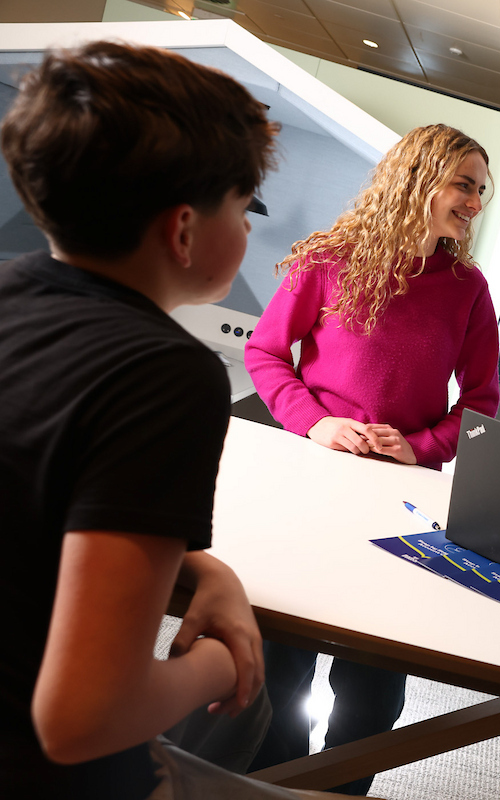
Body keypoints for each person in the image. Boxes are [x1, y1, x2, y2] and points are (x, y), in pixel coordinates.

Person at [0, 40, 340, 799]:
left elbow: (30, 496)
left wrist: (201, 564)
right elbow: (82, 718)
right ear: (183, 230)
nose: (251, 231)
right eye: (242, 206)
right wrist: (222, 662)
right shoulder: (164, 374)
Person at [243, 123, 500, 794]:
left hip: (401, 509)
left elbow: (480, 405)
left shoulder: (468, 288)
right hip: (312, 488)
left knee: (375, 693)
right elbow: (266, 354)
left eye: (480, 191)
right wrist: (317, 424)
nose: (475, 204)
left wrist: (418, 447)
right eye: (463, 186)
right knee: (280, 671)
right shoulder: (329, 259)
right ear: (418, 179)